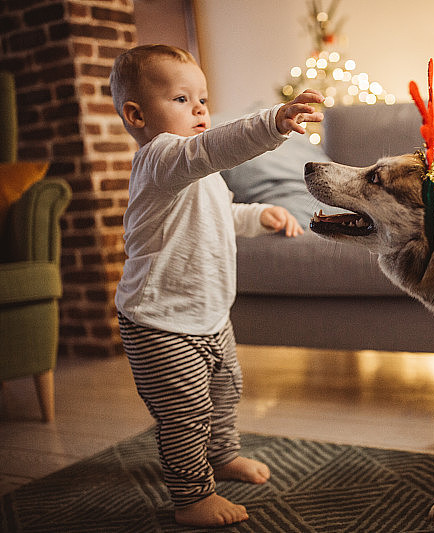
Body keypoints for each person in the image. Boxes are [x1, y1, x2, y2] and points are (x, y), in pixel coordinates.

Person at [109, 44, 323, 527]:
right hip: (159, 320)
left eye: (202, 97)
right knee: (185, 412)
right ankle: (191, 496)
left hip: (208, 314)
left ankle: (222, 456)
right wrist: (272, 123)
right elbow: (213, 147)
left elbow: (219, 213)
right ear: (136, 114)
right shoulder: (161, 157)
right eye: (181, 99)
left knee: (226, 390)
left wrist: (257, 216)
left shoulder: (195, 174)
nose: (200, 108)